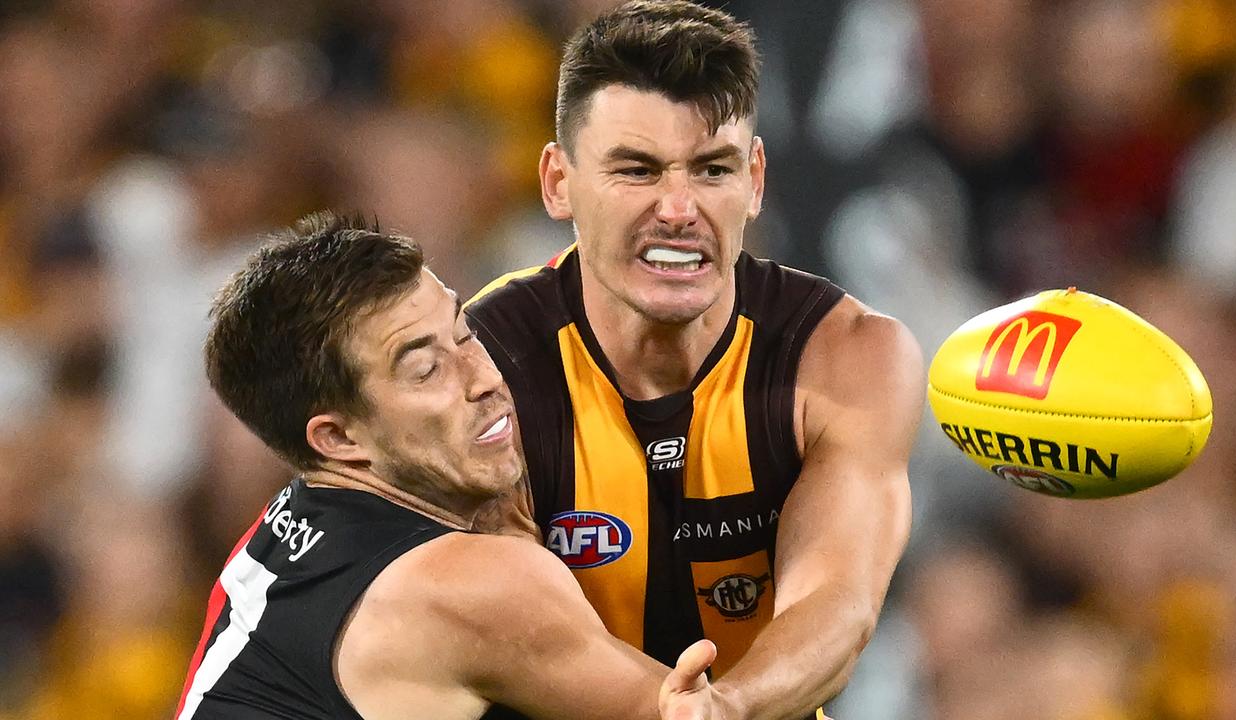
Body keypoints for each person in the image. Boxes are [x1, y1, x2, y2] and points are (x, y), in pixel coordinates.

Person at [464, 1, 924, 717]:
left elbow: (838, 605)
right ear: (558, 182)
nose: (678, 208)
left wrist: (727, 709)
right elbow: (508, 638)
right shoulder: (485, 372)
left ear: (755, 178)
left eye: (711, 169)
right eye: (637, 170)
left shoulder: (847, 357)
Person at [176, 211, 717, 720]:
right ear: (338, 438)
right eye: (427, 369)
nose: (483, 377)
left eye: (464, 334)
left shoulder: (288, 526)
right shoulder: (464, 584)